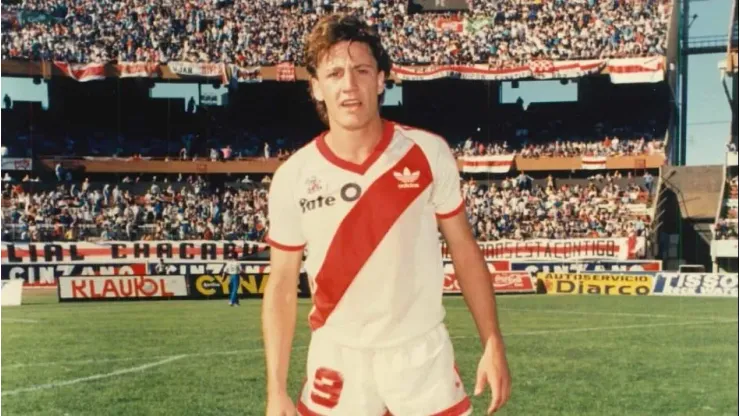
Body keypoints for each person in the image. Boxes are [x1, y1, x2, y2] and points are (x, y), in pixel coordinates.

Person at [262, 14, 511, 416]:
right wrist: (276, 389)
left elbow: (464, 250)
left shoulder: (428, 153)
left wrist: (492, 342)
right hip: (338, 359)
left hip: (421, 356)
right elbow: (281, 285)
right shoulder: (295, 175)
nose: (349, 85)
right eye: (335, 73)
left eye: (362, 70)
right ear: (316, 88)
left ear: (380, 80)